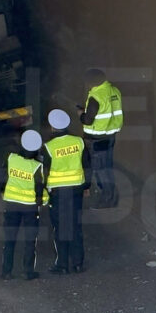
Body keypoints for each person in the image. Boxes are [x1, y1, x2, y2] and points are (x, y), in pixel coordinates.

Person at [42, 108, 91, 274]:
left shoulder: (48, 147)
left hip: (57, 193)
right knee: (75, 227)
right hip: (76, 190)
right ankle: (78, 263)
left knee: (60, 228)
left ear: (53, 127)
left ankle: (62, 265)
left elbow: (44, 172)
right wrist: (87, 187)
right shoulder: (79, 142)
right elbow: (87, 166)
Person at [0, 130, 47, 281]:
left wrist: (3, 192)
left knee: (9, 239)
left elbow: (1, 178)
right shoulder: (37, 166)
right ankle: (27, 271)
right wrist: (41, 200)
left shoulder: (11, 158)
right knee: (30, 240)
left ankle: (6, 271)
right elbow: (39, 187)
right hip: (29, 208)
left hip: (12, 205)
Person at [79, 68, 123, 208]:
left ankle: (108, 199)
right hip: (110, 136)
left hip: (96, 139)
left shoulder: (96, 97)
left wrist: (80, 113)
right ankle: (109, 196)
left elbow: (88, 120)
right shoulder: (114, 91)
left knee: (101, 170)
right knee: (107, 167)